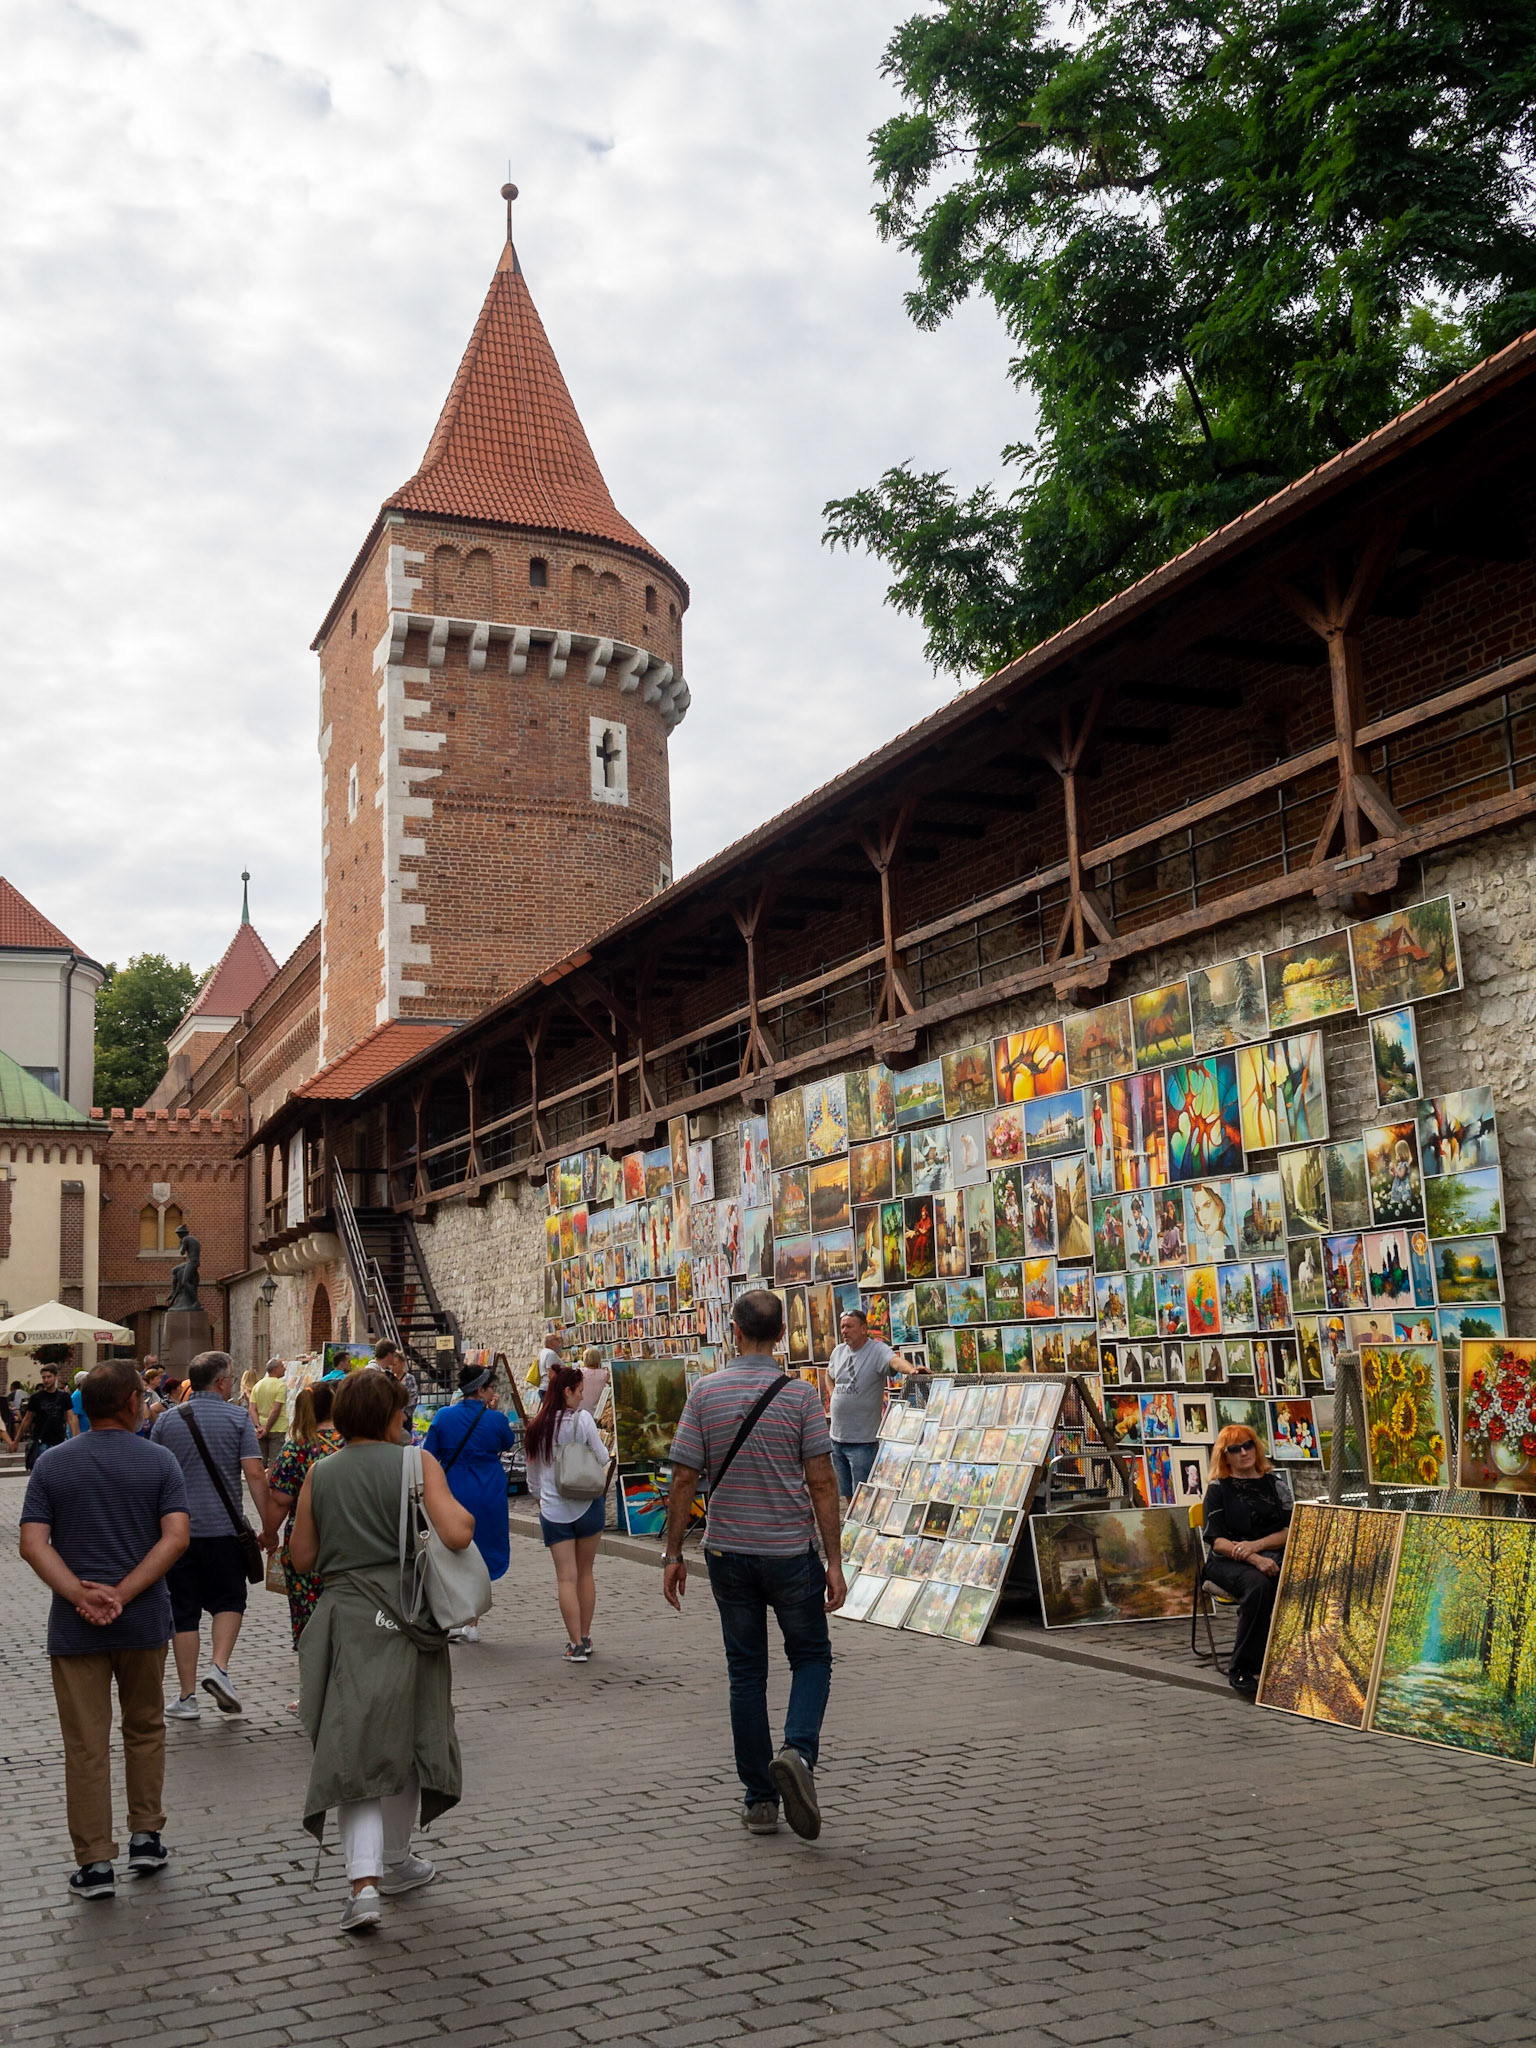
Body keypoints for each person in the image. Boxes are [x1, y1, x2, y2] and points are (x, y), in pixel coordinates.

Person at [288, 1368, 473, 1933]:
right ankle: (391, 1863)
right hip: (408, 1615)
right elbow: (458, 1534)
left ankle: (366, 1881)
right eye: (402, 1411)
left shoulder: (320, 1472)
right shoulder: (417, 1464)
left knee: (356, 1745)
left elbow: (302, 1559)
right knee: (411, 1735)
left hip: (349, 1618)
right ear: (391, 1415)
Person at [662, 1289, 844, 1841]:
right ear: (782, 1335)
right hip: (790, 1552)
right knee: (811, 1656)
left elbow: (685, 1479)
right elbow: (821, 1482)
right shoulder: (800, 1397)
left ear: (734, 1333)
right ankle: (797, 1752)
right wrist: (834, 1560)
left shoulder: (705, 1393)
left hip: (727, 1553)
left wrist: (672, 1554)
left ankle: (761, 1800)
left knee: (746, 1673)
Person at [19, 1360, 190, 1901]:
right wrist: (125, 1591)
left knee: (86, 1745)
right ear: (131, 1404)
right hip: (141, 1621)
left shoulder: (52, 1466)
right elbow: (176, 1539)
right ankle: (145, 1835)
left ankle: (94, 1864)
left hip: (74, 1627)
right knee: (144, 1729)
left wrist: (78, 1593)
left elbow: (32, 1543)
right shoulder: (159, 1461)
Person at [150, 1351, 273, 1719]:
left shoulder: (167, 1422)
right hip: (225, 1531)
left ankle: (187, 1697)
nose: (233, 1384)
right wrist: (268, 1528)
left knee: (183, 1612)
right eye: (231, 1379)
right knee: (229, 1601)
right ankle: (219, 1668)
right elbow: (254, 1475)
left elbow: (155, 1477)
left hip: (177, 1534)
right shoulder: (237, 1418)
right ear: (220, 1383)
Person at [422, 1364, 515, 1646]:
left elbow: (429, 1453)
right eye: (491, 1388)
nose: (493, 1393)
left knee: (450, 1550)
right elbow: (508, 1442)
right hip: (487, 1488)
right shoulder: (495, 1420)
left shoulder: (444, 1416)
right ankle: (473, 1620)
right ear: (481, 1390)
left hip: (452, 1488)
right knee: (483, 1550)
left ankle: (451, 1613)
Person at [522, 1363, 608, 1663]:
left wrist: (540, 1498)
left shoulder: (538, 1427)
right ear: (567, 1391)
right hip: (586, 1504)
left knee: (566, 1578)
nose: (582, 1398)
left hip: (554, 1508)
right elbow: (602, 1456)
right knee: (585, 1573)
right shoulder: (582, 1420)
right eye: (580, 1391)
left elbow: (532, 1474)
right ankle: (585, 1634)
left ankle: (575, 1644)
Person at [1201, 1424, 1293, 1697]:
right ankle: (1242, 1667)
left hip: (1270, 1553)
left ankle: (1291, 1658)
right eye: (1235, 1449)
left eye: (1248, 1445)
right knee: (1259, 1585)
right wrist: (1253, 1557)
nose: (1244, 1453)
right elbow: (1216, 1540)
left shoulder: (1275, 1485)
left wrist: (1259, 1546)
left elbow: (1291, 1529)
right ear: (1224, 1456)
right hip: (1227, 1561)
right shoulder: (1219, 1488)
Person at [264, 1383, 343, 1649]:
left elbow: (280, 1501)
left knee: (308, 1603)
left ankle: (313, 1652)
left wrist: (268, 1534)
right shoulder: (351, 1442)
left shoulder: (296, 1449)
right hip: (349, 1536)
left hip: (306, 1539)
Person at [825, 1307, 918, 1500]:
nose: (844, 1331)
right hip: (837, 1438)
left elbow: (894, 1362)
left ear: (863, 1329)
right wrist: (832, 1392)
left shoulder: (876, 1350)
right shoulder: (838, 1352)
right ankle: (852, 1528)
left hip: (862, 1442)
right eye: (842, 1327)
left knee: (864, 1496)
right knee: (847, 1494)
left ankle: (862, 1528)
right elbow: (828, 1373)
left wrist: (912, 1370)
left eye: (849, 1326)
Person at [17, 1362, 77, 1470]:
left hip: (59, 1440)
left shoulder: (64, 1396)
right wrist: (16, 1440)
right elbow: (27, 1419)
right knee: (42, 1471)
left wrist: (75, 1439)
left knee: (59, 1471)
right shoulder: (36, 1397)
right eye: (43, 1377)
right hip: (41, 1440)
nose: (46, 1380)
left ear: (55, 1377)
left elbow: (71, 1418)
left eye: (49, 1377)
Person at [249, 1357, 290, 1470]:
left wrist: (258, 1427)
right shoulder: (280, 1386)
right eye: (282, 1366)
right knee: (275, 1462)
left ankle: (261, 1485)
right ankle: (270, 1486)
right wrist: (267, 1428)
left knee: (261, 1461)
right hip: (277, 1428)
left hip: (260, 1428)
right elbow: (276, 1410)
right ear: (275, 1369)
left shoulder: (258, 1385)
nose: (285, 1369)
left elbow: (252, 1409)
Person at [373, 1340, 419, 1432]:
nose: (392, 1367)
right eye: (392, 1365)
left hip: (404, 1416)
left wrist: (403, 1413)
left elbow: (413, 1397)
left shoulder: (409, 1378)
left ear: (402, 1363)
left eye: (395, 1365)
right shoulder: (388, 1376)